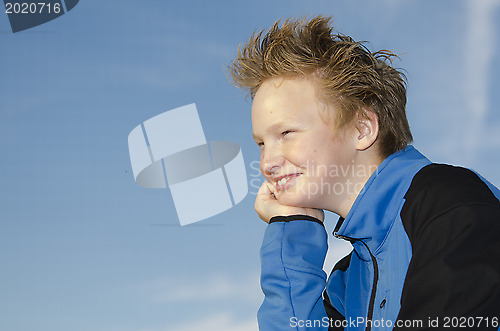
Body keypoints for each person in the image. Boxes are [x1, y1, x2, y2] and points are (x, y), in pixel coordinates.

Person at [229, 16, 500, 330]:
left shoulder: (453, 207)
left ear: (362, 129)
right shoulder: (347, 279)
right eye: (261, 143)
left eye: (286, 133)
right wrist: (291, 228)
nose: (266, 163)